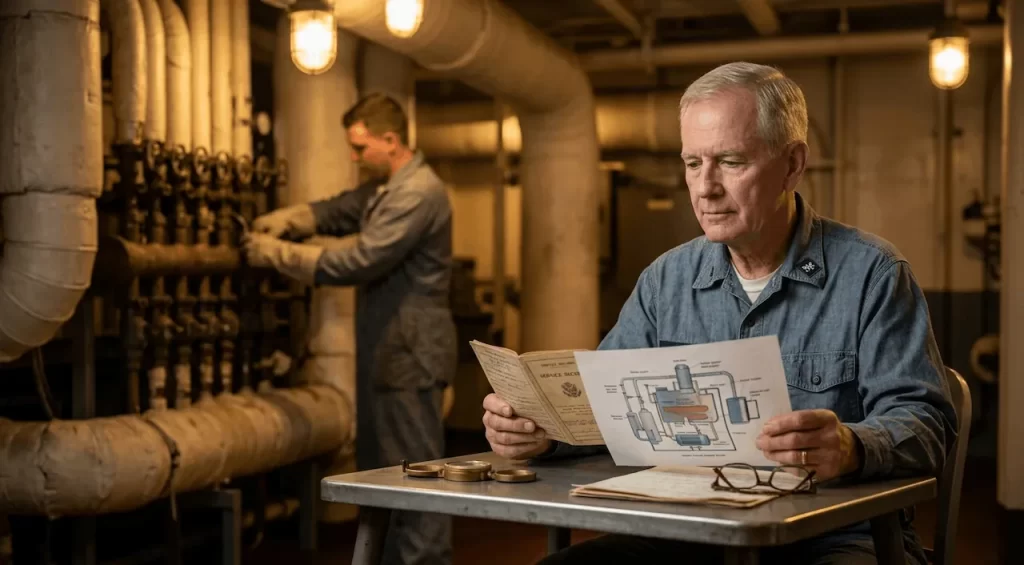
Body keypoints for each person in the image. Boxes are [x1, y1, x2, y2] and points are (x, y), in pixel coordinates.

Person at [480, 62, 958, 565]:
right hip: (689, 530)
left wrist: (853, 446)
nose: (705, 188)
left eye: (730, 162)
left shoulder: (873, 274)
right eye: (692, 163)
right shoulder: (664, 282)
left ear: (792, 165)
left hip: (834, 533)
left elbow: (928, 424)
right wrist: (541, 433)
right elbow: (601, 416)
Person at [243, 93, 455, 565]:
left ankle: (425, 561)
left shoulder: (418, 192)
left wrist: (276, 253)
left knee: (418, 476)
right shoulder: (386, 187)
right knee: (386, 474)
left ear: (391, 140)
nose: (354, 159)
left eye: (360, 149)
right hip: (389, 351)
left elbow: (362, 258)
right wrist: (292, 219)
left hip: (409, 354)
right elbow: (341, 209)